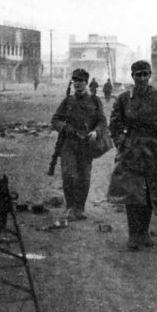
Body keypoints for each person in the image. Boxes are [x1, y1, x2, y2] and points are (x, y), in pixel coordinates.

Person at [107, 60, 157, 251]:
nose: (141, 78)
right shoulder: (124, 99)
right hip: (131, 153)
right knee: (133, 194)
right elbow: (114, 125)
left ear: (149, 76)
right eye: (138, 75)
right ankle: (134, 235)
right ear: (132, 77)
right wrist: (122, 144)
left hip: (153, 151)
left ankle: (144, 233)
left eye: (145, 74)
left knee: (151, 194)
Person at [51, 69, 107, 221]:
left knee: (84, 177)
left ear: (86, 83)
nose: (77, 83)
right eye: (75, 80)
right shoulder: (68, 101)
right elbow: (55, 120)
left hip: (86, 145)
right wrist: (65, 128)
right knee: (68, 174)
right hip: (68, 144)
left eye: (81, 81)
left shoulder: (95, 101)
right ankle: (70, 207)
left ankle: (80, 208)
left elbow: (102, 122)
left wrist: (96, 132)